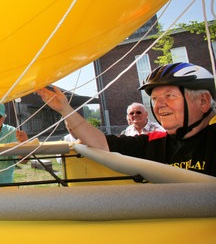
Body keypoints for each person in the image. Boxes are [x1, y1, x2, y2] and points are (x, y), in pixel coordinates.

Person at [37, 62, 216, 176]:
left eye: (169, 96)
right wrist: (65, 109)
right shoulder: (154, 142)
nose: (159, 105)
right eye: (154, 99)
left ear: (203, 101)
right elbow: (101, 144)